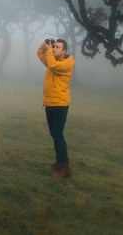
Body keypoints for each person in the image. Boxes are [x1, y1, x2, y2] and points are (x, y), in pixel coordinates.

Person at [37, 37, 75, 178]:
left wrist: (49, 52)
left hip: (60, 104)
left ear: (64, 51)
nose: (54, 49)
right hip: (49, 103)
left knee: (58, 134)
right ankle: (59, 163)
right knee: (54, 134)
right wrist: (45, 44)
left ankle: (65, 167)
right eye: (54, 46)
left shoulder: (66, 64)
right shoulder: (53, 59)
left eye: (57, 47)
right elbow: (40, 54)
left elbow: (52, 65)